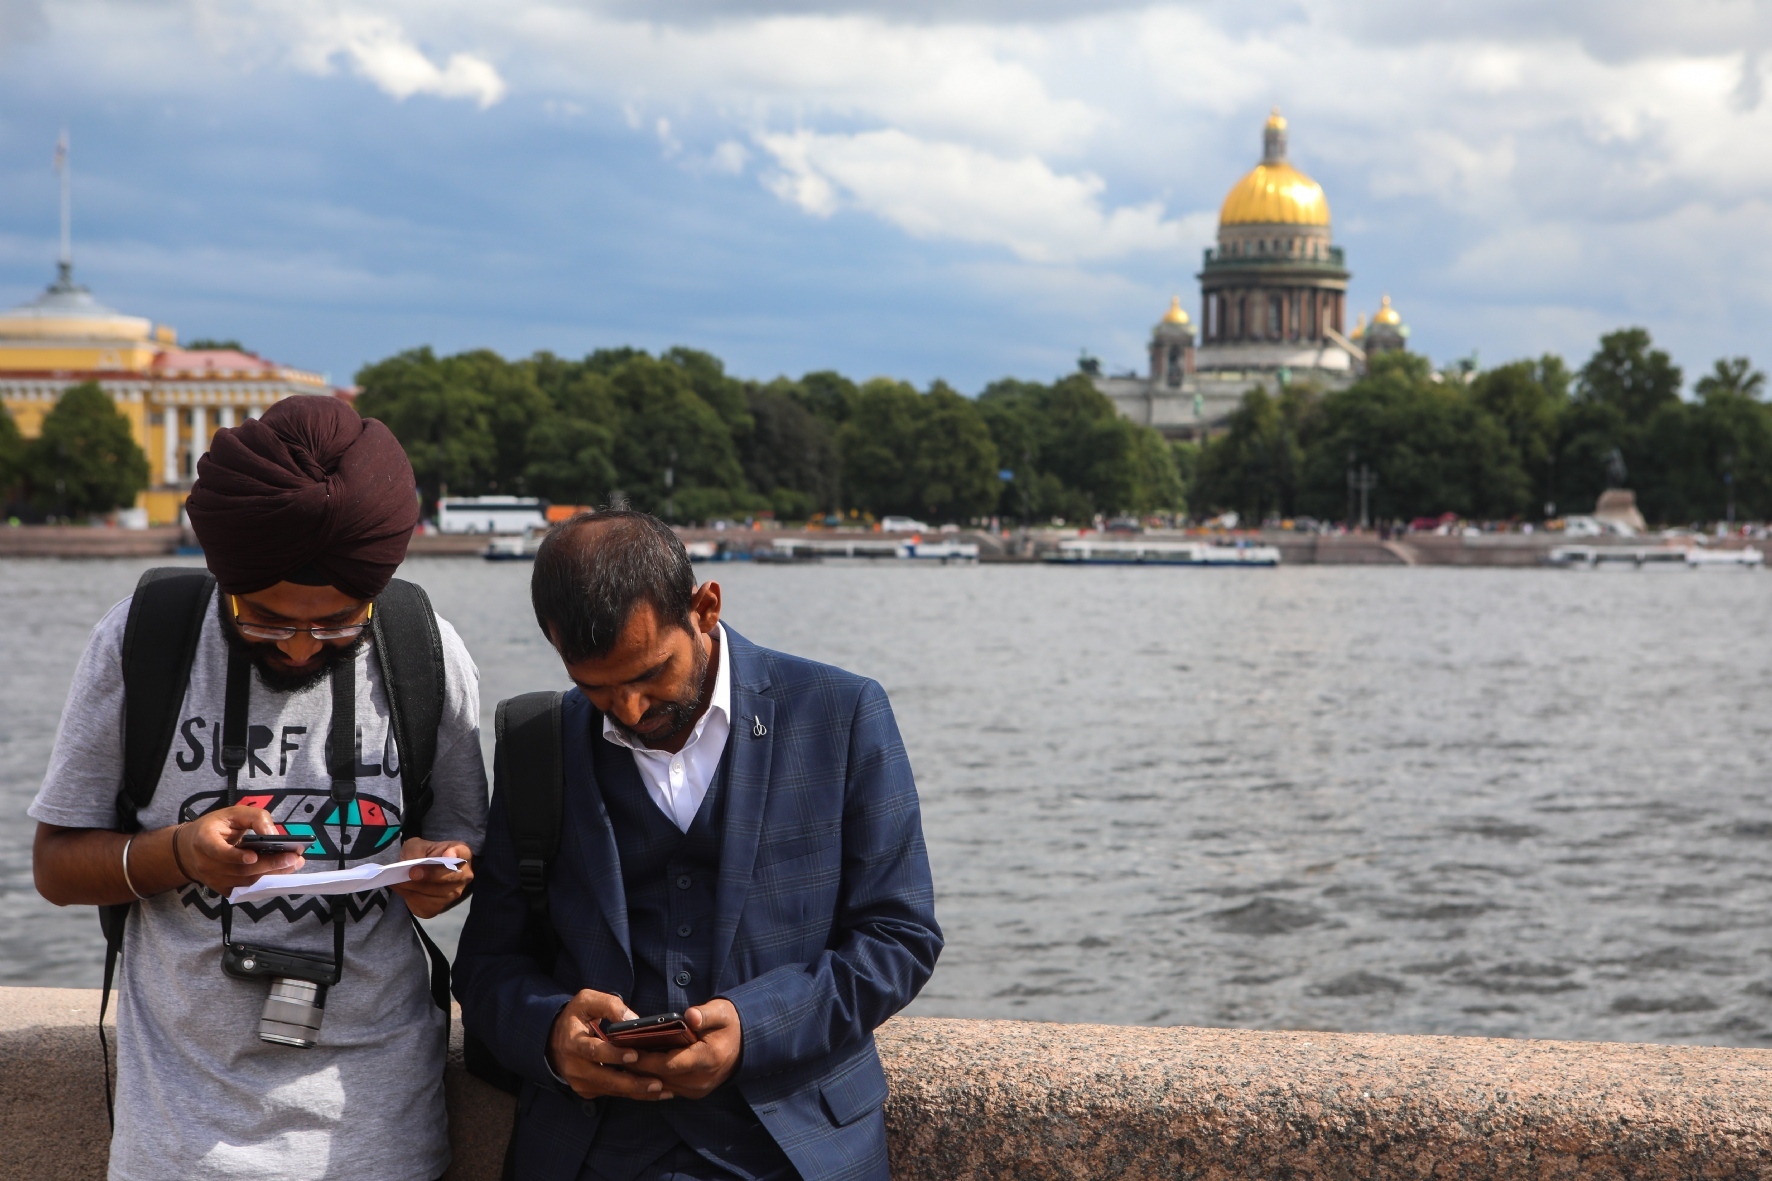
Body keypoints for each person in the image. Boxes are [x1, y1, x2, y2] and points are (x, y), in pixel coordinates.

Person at [29, 396, 488, 1181]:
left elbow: (463, 841)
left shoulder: (425, 651)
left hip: (381, 1133)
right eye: (267, 621)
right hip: (178, 1142)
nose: (305, 646)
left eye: (340, 623)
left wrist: (438, 870)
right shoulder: (143, 641)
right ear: (226, 579)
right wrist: (179, 851)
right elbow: (57, 865)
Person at [455, 509, 941, 1181]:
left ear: (705, 607)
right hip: (587, 1153)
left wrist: (754, 1028)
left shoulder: (842, 713)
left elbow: (899, 935)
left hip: (798, 1153)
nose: (627, 710)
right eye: (594, 687)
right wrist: (550, 1033)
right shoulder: (538, 744)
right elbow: (484, 967)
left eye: (650, 674)